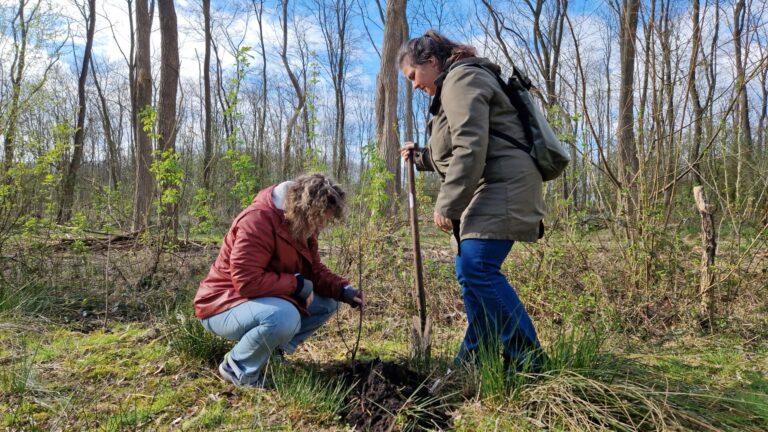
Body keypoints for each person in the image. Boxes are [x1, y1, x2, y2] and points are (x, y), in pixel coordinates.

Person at [399, 30, 545, 372]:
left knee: (477, 265)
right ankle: (476, 357)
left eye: (413, 76)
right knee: (469, 271)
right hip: (489, 182)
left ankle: (529, 361)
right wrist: (420, 157)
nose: (415, 85)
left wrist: (446, 204)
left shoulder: (462, 79)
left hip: (504, 183)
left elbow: (470, 147)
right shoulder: (453, 84)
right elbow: (453, 148)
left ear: (431, 63)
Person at [194, 173, 365, 388]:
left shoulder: (301, 224)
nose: (322, 226)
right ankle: (238, 367)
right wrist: (296, 284)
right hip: (221, 305)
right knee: (284, 317)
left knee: (328, 302)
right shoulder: (258, 220)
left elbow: (314, 270)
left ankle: (272, 352)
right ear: (308, 209)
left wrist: (344, 289)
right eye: (322, 219)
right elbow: (246, 281)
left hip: (254, 301)